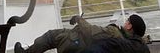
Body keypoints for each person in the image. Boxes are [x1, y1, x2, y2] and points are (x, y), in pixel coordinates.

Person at [15, 14, 149, 53]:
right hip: (85, 45)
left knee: (50, 36)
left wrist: (78, 19)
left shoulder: (115, 33)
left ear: (130, 26)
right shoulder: (132, 45)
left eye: (127, 20)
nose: (125, 22)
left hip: (78, 43)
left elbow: (90, 31)